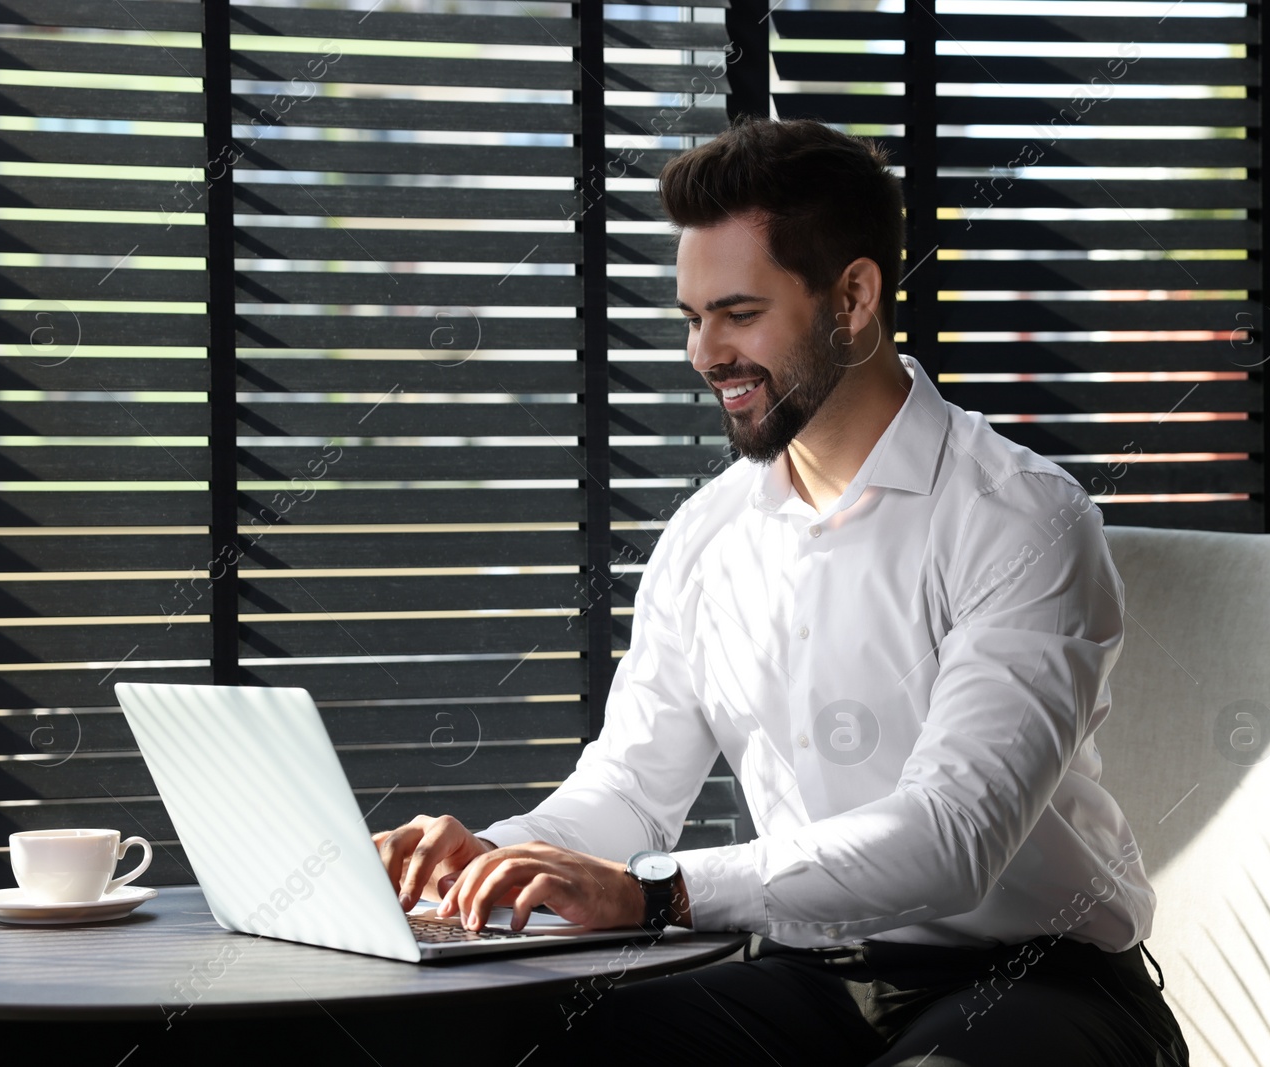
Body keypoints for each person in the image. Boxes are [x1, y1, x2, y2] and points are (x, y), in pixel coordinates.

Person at [372, 115, 1190, 1066]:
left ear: (852, 296)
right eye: (691, 318)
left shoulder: (1020, 517)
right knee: (532, 1044)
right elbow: (631, 794)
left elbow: (951, 836)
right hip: (809, 973)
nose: (703, 353)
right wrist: (489, 859)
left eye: (739, 313)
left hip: (1034, 982)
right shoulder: (706, 535)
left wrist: (656, 892)